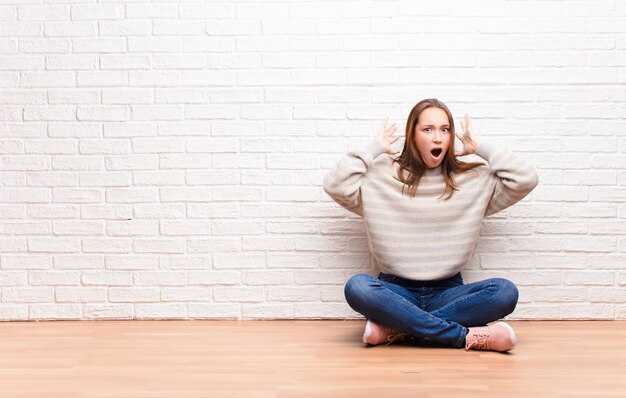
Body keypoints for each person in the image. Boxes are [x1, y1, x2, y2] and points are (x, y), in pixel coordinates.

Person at [322, 98, 539, 352]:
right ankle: (462, 337)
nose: (438, 138)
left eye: (445, 130)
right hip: (395, 290)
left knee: (504, 292)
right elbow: (334, 185)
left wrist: (480, 147)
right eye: (428, 129)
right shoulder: (380, 176)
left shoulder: (473, 179)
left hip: (448, 291)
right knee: (358, 287)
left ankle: (399, 328)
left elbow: (526, 179)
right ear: (412, 136)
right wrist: (374, 148)